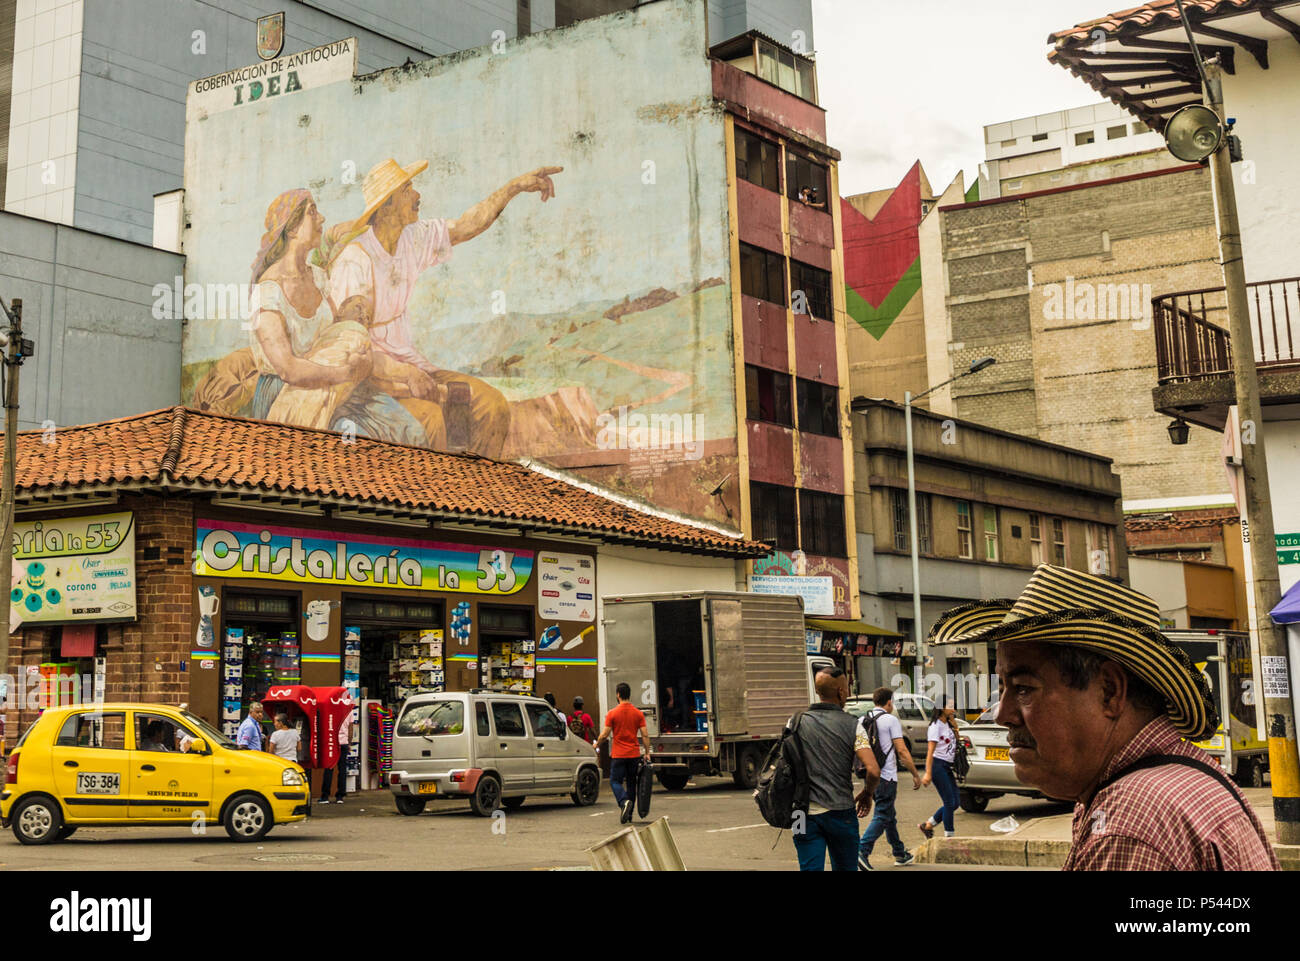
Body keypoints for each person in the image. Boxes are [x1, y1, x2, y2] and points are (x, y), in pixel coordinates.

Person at [929, 564, 1279, 870]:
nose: (1003, 715)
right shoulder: (1178, 776)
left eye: (1022, 688)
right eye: (1003, 687)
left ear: (1109, 691)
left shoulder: (1130, 821)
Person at [327, 158, 563, 456]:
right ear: (386, 206)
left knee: (491, 406)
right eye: (407, 189)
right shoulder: (354, 261)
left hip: (412, 366)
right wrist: (404, 374)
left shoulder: (412, 238)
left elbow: (467, 225)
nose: (417, 195)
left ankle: (474, 493)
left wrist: (514, 187)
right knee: (432, 423)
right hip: (371, 376)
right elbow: (351, 350)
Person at [791, 667, 880, 872]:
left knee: (808, 867)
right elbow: (873, 770)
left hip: (800, 814)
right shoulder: (853, 725)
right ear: (841, 692)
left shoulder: (795, 722)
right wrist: (867, 794)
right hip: (841, 813)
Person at [855, 686, 922, 870]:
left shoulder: (862, 719)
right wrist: (915, 774)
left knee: (889, 816)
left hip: (871, 775)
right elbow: (902, 750)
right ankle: (862, 850)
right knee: (883, 814)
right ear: (889, 702)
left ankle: (900, 853)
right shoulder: (891, 720)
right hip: (887, 776)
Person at [594, 682, 652, 823]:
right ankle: (629, 815)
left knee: (615, 781)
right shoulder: (638, 714)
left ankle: (623, 801)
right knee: (632, 783)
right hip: (633, 754)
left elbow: (605, 735)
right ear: (629, 694)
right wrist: (647, 752)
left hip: (619, 755)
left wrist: (597, 744)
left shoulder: (612, 713)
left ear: (618, 694)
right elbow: (645, 734)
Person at [918, 696, 960, 840]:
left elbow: (957, 741)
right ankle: (950, 837)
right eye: (950, 706)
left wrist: (954, 725)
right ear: (942, 708)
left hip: (947, 765)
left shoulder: (947, 723)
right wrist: (928, 773)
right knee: (949, 802)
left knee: (956, 802)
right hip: (937, 765)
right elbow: (930, 751)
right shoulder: (935, 726)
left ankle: (928, 825)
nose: (953, 709)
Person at [320, 706, 352, 805]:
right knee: (342, 770)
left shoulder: (331, 709)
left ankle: (325, 796)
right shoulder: (349, 712)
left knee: (329, 768)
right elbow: (350, 729)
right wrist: (349, 742)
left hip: (331, 743)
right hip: (343, 743)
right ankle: (340, 796)